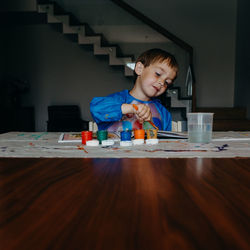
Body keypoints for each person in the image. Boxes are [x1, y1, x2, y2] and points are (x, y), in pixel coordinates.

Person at [90, 48, 178, 132]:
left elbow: (164, 142)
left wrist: (149, 123)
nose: (162, 82)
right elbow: (96, 108)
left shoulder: (163, 113)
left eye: (167, 82)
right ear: (139, 69)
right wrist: (132, 108)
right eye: (158, 74)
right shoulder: (118, 100)